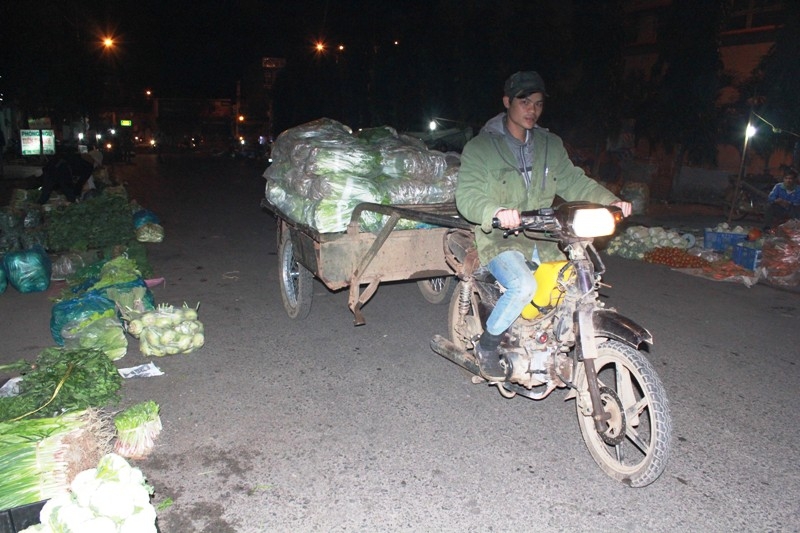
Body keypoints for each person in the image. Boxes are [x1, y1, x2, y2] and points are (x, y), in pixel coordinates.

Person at [455, 71, 632, 381]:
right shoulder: (482, 147)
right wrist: (495, 210)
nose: (531, 110)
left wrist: (610, 201)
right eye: (524, 102)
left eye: (537, 103)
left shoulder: (550, 144)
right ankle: (487, 344)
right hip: (500, 239)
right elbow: (467, 194)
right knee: (524, 286)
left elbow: (574, 180)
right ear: (507, 102)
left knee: (574, 283)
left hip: (545, 237)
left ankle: (548, 340)